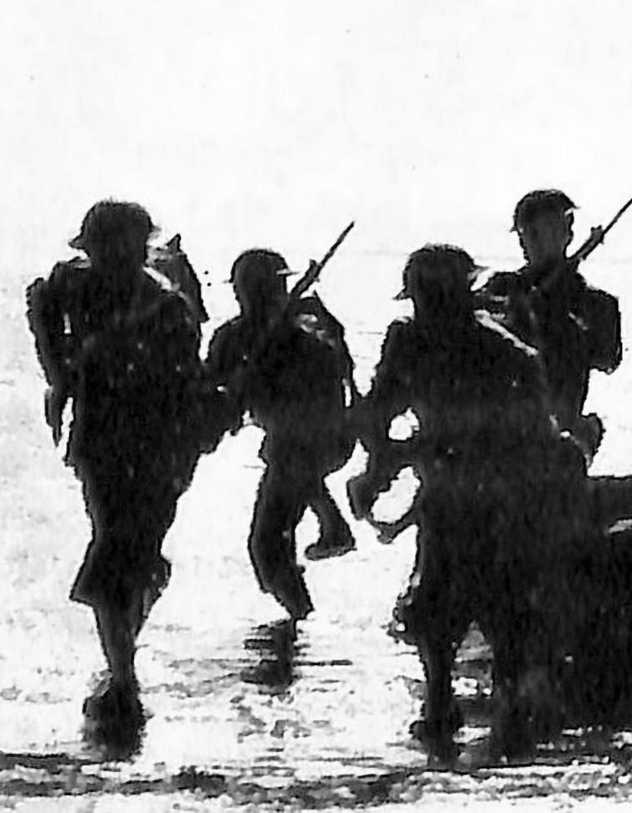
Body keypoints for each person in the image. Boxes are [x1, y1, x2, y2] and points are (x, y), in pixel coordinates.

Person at [347, 244, 593, 759]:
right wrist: (382, 465)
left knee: (469, 609)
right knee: (469, 608)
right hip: (472, 495)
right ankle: (469, 705)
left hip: (484, 496)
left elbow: (382, 419)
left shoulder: (487, 352)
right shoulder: (474, 349)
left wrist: (384, 465)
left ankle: (460, 705)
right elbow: (380, 416)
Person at [24, 200, 226, 735]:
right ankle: (123, 676)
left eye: (118, 248)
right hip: (99, 445)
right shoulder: (74, 285)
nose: (107, 258)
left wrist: (191, 437)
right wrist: (59, 374)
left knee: (124, 558)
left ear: (139, 250)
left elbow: (187, 386)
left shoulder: (166, 307)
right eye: (99, 249)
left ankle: (122, 675)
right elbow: (41, 307)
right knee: (115, 554)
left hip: (156, 451)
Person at [205, 249, 359, 621]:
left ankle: (301, 621)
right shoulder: (232, 337)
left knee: (267, 544)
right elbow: (208, 390)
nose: (256, 298)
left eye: (266, 289)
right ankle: (301, 615)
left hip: (317, 441)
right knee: (270, 544)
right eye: (249, 290)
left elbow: (331, 400)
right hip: (284, 444)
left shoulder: (312, 337)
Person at [478, 189, 622, 453]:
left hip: (561, 433)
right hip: (503, 434)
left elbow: (607, 358)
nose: (530, 241)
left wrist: (558, 313)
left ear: (567, 233)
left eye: (539, 231)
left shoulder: (597, 304)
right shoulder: (500, 289)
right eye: (526, 233)